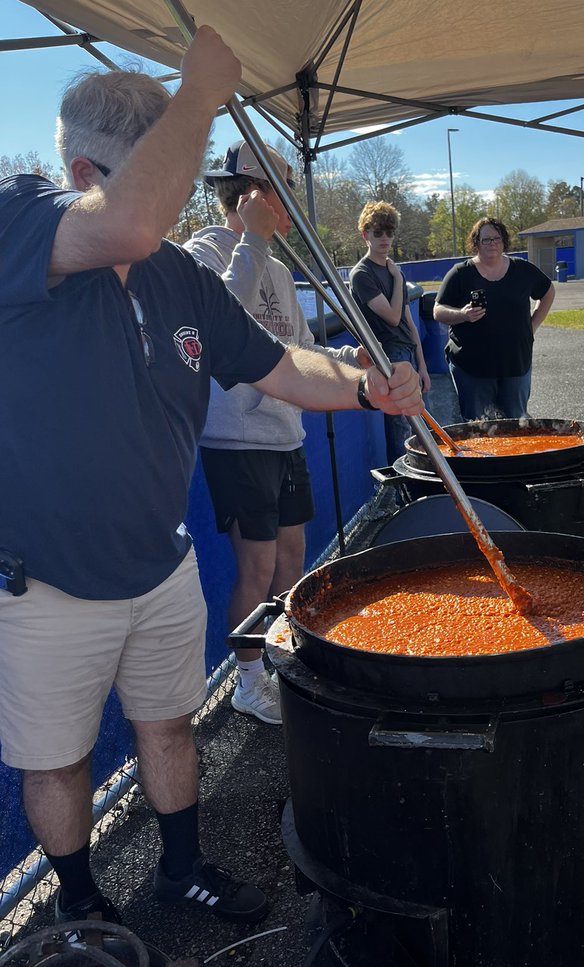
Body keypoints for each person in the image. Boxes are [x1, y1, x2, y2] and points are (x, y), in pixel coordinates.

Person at [0, 28, 421, 930]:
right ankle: (77, 905)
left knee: (168, 725)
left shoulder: (179, 279)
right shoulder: (18, 214)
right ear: (82, 172)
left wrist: (365, 386)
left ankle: (180, 868)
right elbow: (129, 219)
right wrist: (199, 96)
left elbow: (278, 366)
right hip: (44, 579)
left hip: (161, 564)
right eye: (161, 175)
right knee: (56, 759)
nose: (177, 205)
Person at [185, 141, 363, 726]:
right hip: (236, 440)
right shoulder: (203, 253)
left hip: (286, 435)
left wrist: (349, 361)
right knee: (256, 569)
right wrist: (253, 241)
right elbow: (213, 325)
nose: (290, 211)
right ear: (253, 194)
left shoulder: (281, 270)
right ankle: (247, 680)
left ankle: (281, 658)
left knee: (293, 557)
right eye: (280, 194)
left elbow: (301, 349)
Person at [433, 216, 555, 421]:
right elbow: (438, 310)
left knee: (517, 424)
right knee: (479, 428)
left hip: (515, 363)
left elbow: (548, 291)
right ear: (476, 243)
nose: (492, 244)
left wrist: (531, 327)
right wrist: (462, 315)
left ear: (504, 241)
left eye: (496, 238)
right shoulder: (461, 273)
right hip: (472, 368)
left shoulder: (522, 269)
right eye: (486, 240)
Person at [349, 201, 430, 460]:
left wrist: (423, 365)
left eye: (389, 232)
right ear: (366, 235)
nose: (384, 238)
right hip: (388, 357)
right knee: (401, 430)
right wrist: (397, 279)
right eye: (377, 232)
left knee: (419, 425)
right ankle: (402, 493)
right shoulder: (362, 273)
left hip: (407, 353)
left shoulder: (394, 271)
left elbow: (408, 322)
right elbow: (393, 318)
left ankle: (422, 482)